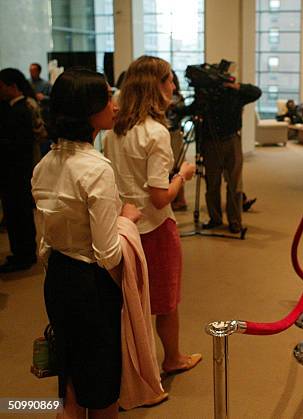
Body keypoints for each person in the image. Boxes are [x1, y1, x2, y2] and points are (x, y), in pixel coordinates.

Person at [31, 68, 142, 418]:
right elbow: (108, 253)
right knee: (102, 384)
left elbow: (46, 239)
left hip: (58, 278)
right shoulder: (96, 169)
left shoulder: (44, 164)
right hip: (90, 284)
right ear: (88, 109)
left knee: (70, 377)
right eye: (107, 98)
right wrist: (127, 220)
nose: (115, 105)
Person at [103, 56, 201, 376]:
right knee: (165, 299)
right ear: (156, 86)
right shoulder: (155, 133)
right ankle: (172, 358)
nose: (174, 86)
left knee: (131, 299)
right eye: (169, 80)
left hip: (123, 225)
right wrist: (182, 175)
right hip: (155, 227)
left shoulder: (113, 132)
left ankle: (134, 365)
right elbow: (160, 199)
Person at [196, 65, 261, 234]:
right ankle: (215, 218)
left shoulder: (235, 93)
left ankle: (235, 221)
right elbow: (194, 109)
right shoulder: (205, 94)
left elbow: (257, 92)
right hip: (210, 142)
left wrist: (237, 86)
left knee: (234, 183)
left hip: (232, 140)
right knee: (212, 183)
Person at [0, 68, 42, 272]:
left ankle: (24, 254)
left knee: (20, 214)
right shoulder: (14, 108)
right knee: (16, 214)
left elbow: (21, 144)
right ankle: (20, 252)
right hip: (16, 171)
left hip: (18, 171)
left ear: (12, 86)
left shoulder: (21, 110)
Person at [167, 71, 188, 211]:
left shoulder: (176, 98)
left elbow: (176, 117)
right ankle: (178, 199)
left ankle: (180, 199)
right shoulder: (180, 98)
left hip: (173, 135)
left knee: (174, 167)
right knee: (174, 167)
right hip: (174, 134)